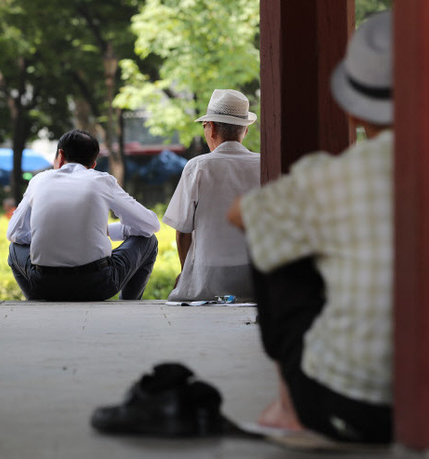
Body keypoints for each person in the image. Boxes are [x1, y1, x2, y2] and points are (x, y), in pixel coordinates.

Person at [228, 11, 394, 443]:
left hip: (351, 405)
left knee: (271, 227)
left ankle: (288, 407)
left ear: (355, 111)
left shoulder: (330, 178)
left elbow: (240, 214)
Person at [6, 129, 160, 301]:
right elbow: (150, 225)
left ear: (60, 155)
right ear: (93, 164)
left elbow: (14, 233)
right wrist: (110, 231)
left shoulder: (39, 180)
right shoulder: (102, 181)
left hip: (45, 286)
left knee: (14, 248)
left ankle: (36, 300)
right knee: (149, 240)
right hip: (98, 286)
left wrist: (52, 235)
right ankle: (129, 304)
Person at [162, 89, 260, 301]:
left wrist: (185, 275)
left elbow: (182, 232)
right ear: (245, 131)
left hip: (208, 279)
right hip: (255, 279)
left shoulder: (198, 167)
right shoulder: (264, 164)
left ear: (212, 128)